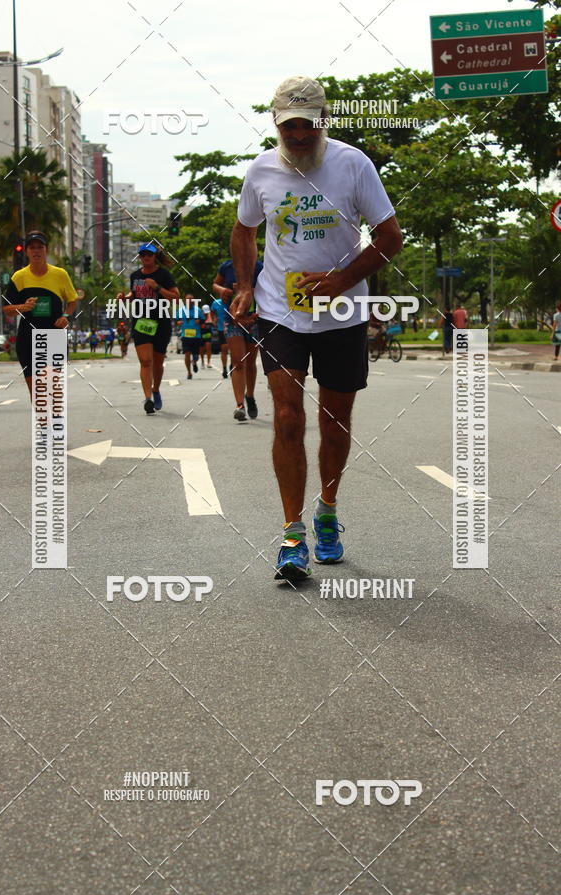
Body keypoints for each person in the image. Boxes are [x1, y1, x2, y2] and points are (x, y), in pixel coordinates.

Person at [230, 75, 402, 580]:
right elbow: (244, 229)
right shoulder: (261, 170)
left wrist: (342, 281)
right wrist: (244, 285)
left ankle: (327, 511)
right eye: (290, 127)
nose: (299, 136)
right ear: (275, 123)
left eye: (308, 126)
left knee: (335, 420)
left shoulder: (353, 165)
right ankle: (291, 533)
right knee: (287, 416)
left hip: (343, 313)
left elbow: (390, 236)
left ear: (324, 121)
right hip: (281, 311)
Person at [3, 231, 78, 398]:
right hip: (28, 337)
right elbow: (7, 309)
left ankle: (50, 421)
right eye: (32, 247)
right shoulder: (19, 277)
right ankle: (43, 423)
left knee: (51, 386)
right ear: (27, 251)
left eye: (40, 247)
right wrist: (24, 306)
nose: (36, 251)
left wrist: (66, 317)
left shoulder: (60, 274)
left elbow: (72, 301)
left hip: (53, 336)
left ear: (46, 250)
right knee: (37, 391)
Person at [120, 242, 179, 414]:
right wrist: (126, 298)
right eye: (143, 254)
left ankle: (155, 389)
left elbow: (175, 297)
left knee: (158, 362)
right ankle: (147, 399)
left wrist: (157, 287)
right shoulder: (134, 276)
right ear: (139, 257)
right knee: (145, 361)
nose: (146, 257)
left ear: (155, 257)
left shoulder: (164, 275)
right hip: (141, 322)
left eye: (149, 254)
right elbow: (135, 294)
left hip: (161, 322)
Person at [212, 257, 263, 420]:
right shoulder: (226, 266)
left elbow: (268, 289)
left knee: (250, 362)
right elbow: (215, 284)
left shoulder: (258, 266)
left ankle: (250, 395)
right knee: (238, 362)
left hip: (252, 318)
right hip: (231, 319)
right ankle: (239, 405)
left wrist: (247, 289)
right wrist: (222, 290)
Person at [177, 293, 205, 379]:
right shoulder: (181, 310)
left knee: (196, 356)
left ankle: (194, 362)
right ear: (185, 301)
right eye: (187, 299)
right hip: (185, 335)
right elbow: (177, 320)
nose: (189, 301)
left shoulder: (198, 310)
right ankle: (189, 372)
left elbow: (203, 320)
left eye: (191, 300)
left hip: (196, 336)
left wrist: (199, 322)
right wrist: (178, 322)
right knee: (187, 354)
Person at [210, 293, 230, 378]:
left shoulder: (231, 302)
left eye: (225, 296)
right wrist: (214, 319)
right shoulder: (216, 303)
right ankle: (225, 368)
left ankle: (233, 365)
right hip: (221, 329)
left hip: (232, 329)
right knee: (224, 349)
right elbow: (212, 313)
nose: (224, 298)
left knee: (233, 350)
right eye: (222, 296)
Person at [200, 304, 213, 368]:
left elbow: (211, 322)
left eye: (206, 311)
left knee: (208, 347)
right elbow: (200, 326)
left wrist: (209, 315)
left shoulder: (210, 316)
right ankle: (202, 362)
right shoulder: (200, 316)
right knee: (202, 349)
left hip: (208, 335)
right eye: (204, 311)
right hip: (201, 335)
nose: (205, 313)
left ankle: (208, 362)